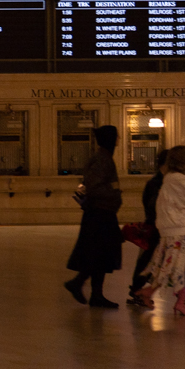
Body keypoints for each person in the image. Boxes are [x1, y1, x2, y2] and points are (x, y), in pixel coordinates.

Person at [136, 145, 185, 317]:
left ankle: (151, 292)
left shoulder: (170, 179)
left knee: (172, 266)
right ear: (184, 160)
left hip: (173, 229)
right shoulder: (178, 180)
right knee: (182, 267)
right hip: (177, 230)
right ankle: (181, 303)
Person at [63, 125, 124, 309]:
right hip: (100, 214)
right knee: (99, 253)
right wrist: (114, 193)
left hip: (102, 213)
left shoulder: (104, 158)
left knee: (100, 254)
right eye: (116, 137)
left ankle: (93, 292)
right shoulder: (101, 160)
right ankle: (79, 284)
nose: (118, 140)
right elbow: (95, 186)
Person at [126, 164, 166, 305]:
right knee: (150, 260)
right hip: (156, 226)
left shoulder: (158, 182)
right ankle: (138, 289)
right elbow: (152, 205)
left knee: (149, 260)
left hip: (157, 225)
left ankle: (138, 289)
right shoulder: (156, 183)